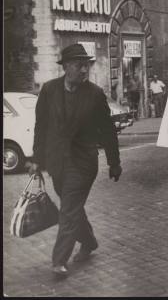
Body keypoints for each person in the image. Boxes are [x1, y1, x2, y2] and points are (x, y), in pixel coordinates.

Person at [28, 43, 122, 277]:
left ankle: (59, 261)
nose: (84, 70)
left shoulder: (94, 94)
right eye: (80, 65)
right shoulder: (49, 90)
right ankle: (89, 241)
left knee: (69, 209)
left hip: (83, 163)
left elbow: (108, 130)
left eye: (86, 65)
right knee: (73, 207)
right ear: (67, 67)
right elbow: (41, 127)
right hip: (57, 162)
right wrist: (37, 159)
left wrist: (114, 162)